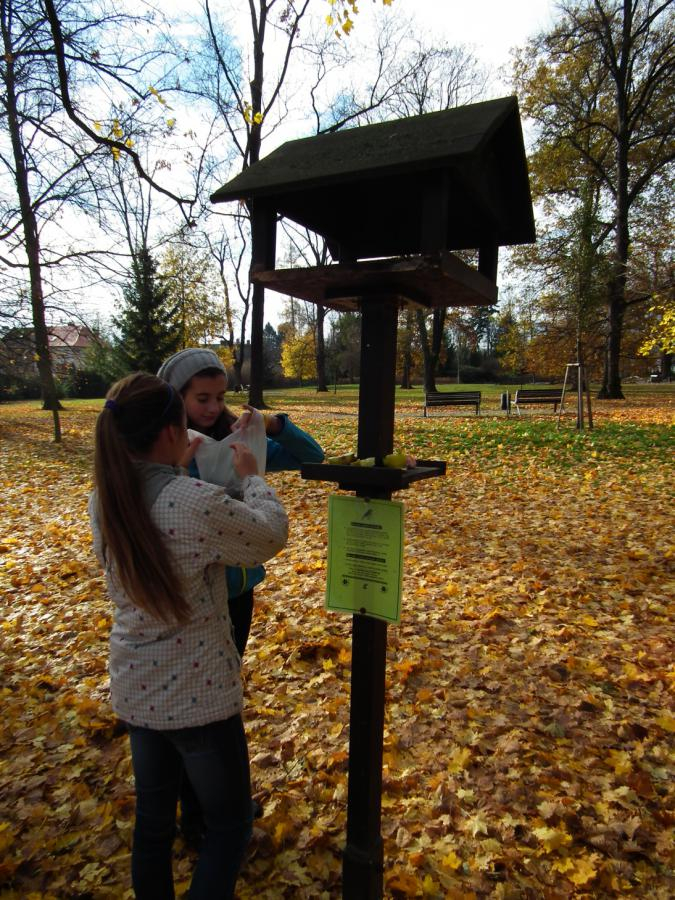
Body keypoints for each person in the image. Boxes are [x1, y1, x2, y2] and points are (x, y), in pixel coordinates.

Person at [89, 373, 288, 899]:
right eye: (182, 424)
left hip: (136, 687)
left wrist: (177, 464)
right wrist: (251, 476)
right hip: (196, 694)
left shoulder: (104, 497)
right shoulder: (191, 501)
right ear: (167, 431)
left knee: (153, 827)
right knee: (229, 826)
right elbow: (268, 535)